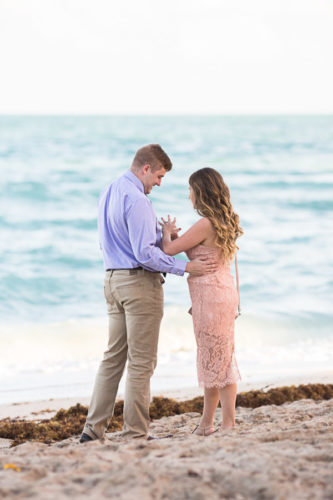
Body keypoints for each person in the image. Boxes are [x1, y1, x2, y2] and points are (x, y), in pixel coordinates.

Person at [80, 145, 218, 443]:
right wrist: (185, 267)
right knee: (142, 363)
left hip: (112, 280)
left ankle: (93, 429)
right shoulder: (138, 200)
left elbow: (123, 239)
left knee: (112, 359)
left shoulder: (109, 191)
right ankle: (135, 433)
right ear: (145, 168)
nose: (159, 183)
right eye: (159, 175)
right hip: (139, 285)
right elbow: (144, 254)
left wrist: (164, 235)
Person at [160, 167, 243, 435]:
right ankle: (219, 423)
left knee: (213, 362)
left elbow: (170, 250)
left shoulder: (205, 223)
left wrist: (166, 232)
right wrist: (177, 237)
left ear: (201, 193)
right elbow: (190, 247)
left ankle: (212, 424)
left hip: (211, 298)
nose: (188, 196)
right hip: (222, 293)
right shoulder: (222, 221)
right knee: (222, 360)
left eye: (191, 190)